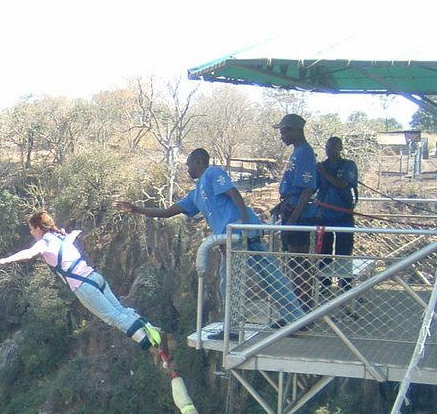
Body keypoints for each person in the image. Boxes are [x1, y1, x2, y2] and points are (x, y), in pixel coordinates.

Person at [117, 149, 305, 338]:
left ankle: (253, 326)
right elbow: (168, 212)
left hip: (242, 234)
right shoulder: (195, 194)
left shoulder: (213, 173)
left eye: (189, 164)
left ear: (199, 162)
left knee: (251, 279)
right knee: (248, 279)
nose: (187, 168)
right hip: (231, 240)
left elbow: (233, 193)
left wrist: (243, 220)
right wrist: (136, 209)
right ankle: (291, 319)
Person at [0, 211, 163, 351]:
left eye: (32, 229)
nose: (31, 233)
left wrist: (7, 260)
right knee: (120, 309)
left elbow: (29, 253)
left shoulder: (45, 242)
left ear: (38, 228)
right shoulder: (59, 237)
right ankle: (148, 327)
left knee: (112, 317)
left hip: (83, 286)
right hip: (95, 278)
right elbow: (70, 239)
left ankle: (145, 341)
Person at [272, 113, 319, 307]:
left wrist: (294, 218)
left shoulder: (305, 153)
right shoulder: (297, 151)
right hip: (291, 208)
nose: (281, 136)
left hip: (299, 214)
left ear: (294, 130)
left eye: (283, 131)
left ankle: (303, 306)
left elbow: (308, 188)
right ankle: (298, 306)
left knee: (299, 260)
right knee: (294, 260)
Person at [315, 136, 358, 293]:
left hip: (343, 215)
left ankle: (345, 285)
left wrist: (324, 172)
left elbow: (343, 183)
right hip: (324, 215)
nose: (329, 150)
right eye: (327, 147)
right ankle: (325, 284)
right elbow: (313, 187)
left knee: (344, 252)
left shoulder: (348, 165)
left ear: (340, 148)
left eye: (333, 147)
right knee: (324, 250)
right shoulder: (321, 166)